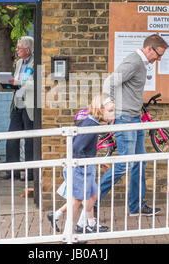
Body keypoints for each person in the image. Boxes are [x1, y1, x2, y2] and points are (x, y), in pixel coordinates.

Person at [96, 34, 169, 216]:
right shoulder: (134, 62)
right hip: (125, 119)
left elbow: (128, 89)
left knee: (139, 163)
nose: (159, 59)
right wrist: (108, 106)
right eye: (158, 55)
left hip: (135, 119)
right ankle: (92, 200)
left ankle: (136, 206)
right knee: (125, 164)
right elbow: (109, 82)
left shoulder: (141, 64)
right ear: (149, 48)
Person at [47, 95, 115, 234]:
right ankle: (69, 233)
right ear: (101, 109)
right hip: (79, 167)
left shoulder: (93, 122)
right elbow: (77, 147)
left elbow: (86, 147)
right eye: (111, 110)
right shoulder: (91, 124)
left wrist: (95, 161)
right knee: (77, 199)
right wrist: (85, 163)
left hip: (84, 165)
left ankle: (82, 224)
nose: (114, 114)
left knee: (94, 195)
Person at [1, 36, 35, 181]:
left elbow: (35, 84)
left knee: (29, 140)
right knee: (12, 138)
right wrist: (10, 83)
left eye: (19, 48)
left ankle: (30, 173)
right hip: (17, 103)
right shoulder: (18, 62)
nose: (17, 50)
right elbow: (18, 83)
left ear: (27, 50)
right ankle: (12, 171)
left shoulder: (36, 62)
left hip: (29, 105)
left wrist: (19, 82)